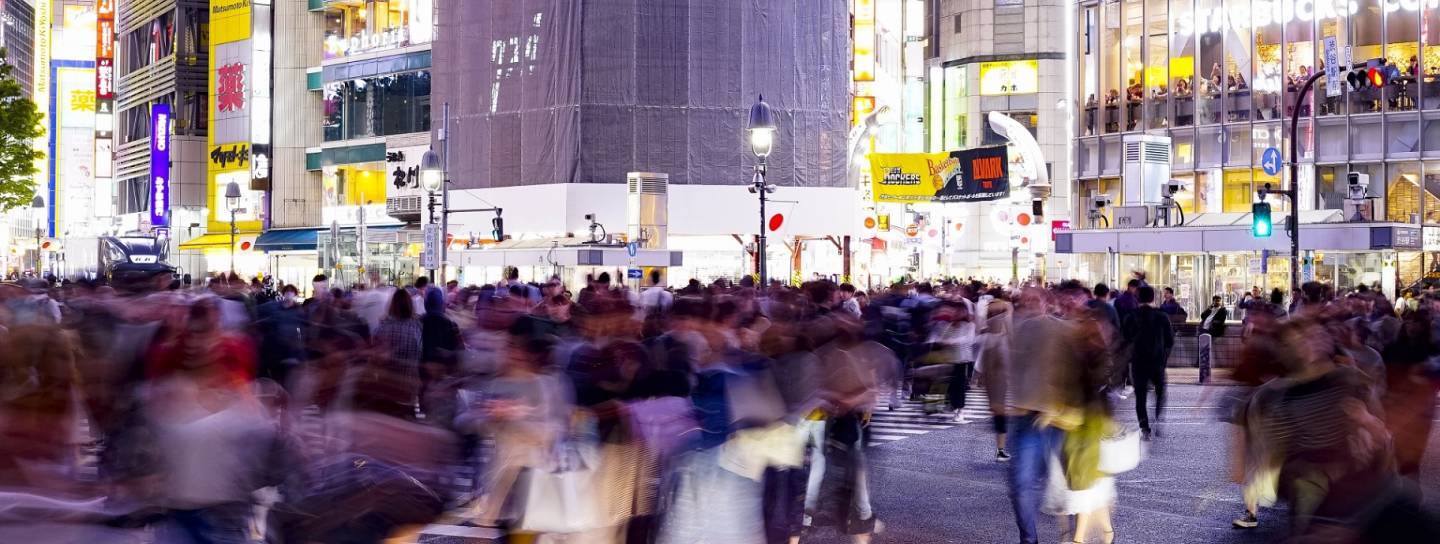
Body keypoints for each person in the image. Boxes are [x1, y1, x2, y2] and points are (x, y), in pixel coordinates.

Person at [1120, 286, 1174, 440]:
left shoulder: (1131, 316)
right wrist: (1164, 359)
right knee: (1160, 392)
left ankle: (1145, 428)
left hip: (1138, 362)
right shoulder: (1162, 316)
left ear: (1137, 298)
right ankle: (1157, 418)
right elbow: (1170, 341)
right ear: (1152, 299)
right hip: (1157, 362)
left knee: (1140, 396)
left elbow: (1124, 338)